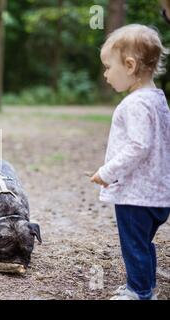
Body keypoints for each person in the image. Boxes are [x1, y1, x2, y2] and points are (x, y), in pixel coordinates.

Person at [91, 24, 170, 300]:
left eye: (109, 67)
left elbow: (139, 146)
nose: (105, 74)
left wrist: (107, 172)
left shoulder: (135, 104)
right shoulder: (157, 99)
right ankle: (145, 287)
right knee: (144, 243)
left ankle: (138, 292)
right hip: (158, 193)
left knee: (134, 244)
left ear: (129, 65)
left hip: (137, 195)